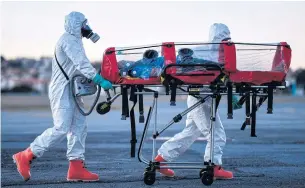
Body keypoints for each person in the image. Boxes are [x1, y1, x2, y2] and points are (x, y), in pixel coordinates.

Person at [12, 11, 112, 182]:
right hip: (62, 91)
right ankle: (26, 155)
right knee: (62, 127)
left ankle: (76, 168)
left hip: (72, 90)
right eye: (84, 24)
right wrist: (98, 79)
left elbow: (78, 67)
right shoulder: (68, 40)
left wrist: (97, 77)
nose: (86, 28)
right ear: (76, 24)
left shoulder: (75, 41)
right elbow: (81, 63)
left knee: (79, 127)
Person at [154, 23, 234, 180]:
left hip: (200, 98)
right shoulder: (214, 55)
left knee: (190, 133)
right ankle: (214, 166)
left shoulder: (205, 53)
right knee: (216, 133)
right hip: (201, 99)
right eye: (225, 38)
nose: (227, 41)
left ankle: (161, 160)